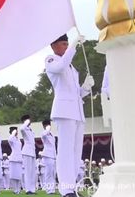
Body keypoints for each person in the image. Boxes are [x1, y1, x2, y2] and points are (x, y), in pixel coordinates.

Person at [45, 34, 93, 197]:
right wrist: (74, 45)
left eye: (67, 44)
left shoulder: (71, 67)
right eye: (63, 44)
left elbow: (77, 93)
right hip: (64, 111)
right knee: (65, 151)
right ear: (54, 46)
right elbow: (60, 67)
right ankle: (66, 188)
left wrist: (86, 87)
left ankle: (71, 187)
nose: (66, 46)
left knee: (75, 151)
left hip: (77, 111)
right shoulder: (51, 60)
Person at [19, 115, 36, 194]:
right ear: (25, 121)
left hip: (32, 152)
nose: (30, 121)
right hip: (27, 152)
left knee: (32, 172)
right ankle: (28, 189)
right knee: (28, 171)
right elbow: (21, 128)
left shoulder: (31, 130)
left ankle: (32, 189)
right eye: (29, 120)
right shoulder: (24, 128)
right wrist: (26, 122)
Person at [40, 119, 57, 194]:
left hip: (53, 155)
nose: (49, 126)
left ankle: (52, 189)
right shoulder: (44, 133)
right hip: (47, 155)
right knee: (48, 173)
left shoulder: (51, 134)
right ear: (44, 126)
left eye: (50, 125)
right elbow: (44, 134)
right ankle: (49, 190)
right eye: (47, 125)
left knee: (53, 173)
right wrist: (47, 129)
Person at [7, 127, 23, 194]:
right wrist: (13, 133)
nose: (17, 132)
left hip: (19, 158)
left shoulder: (18, 139)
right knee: (13, 175)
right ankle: (15, 189)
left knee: (19, 175)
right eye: (16, 131)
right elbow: (9, 139)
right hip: (13, 158)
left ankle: (18, 189)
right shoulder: (11, 138)